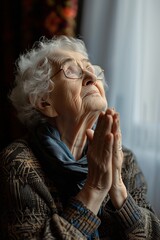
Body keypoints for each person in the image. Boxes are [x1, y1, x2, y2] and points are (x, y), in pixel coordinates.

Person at [0, 35, 160, 240]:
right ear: (44, 102)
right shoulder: (19, 164)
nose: (90, 76)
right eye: (71, 70)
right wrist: (95, 187)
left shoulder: (124, 159)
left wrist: (118, 188)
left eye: (90, 68)